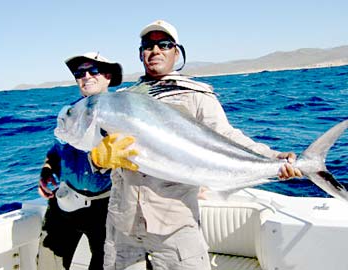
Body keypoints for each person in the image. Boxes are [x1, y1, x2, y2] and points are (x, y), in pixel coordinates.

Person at [91, 20, 302, 270]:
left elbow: (226, 136)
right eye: (148, 45)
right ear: (140, 54)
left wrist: (273, 158)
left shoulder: (196, 95)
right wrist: (97, 160)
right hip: (122, 229)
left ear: (176, 52)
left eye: (165, 44)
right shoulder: (122, 101)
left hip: (174, 227)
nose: (156, 50)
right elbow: (93, 150)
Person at [37, 52, 129, 270]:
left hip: (104, 207)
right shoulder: (69, 113)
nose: (86, 76)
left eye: (93, 70)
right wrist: (47, 169)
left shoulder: (125, 113)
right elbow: (56, 151)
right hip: (64, 203)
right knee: (48, 264)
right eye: (79, 72)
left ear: (108, 76)